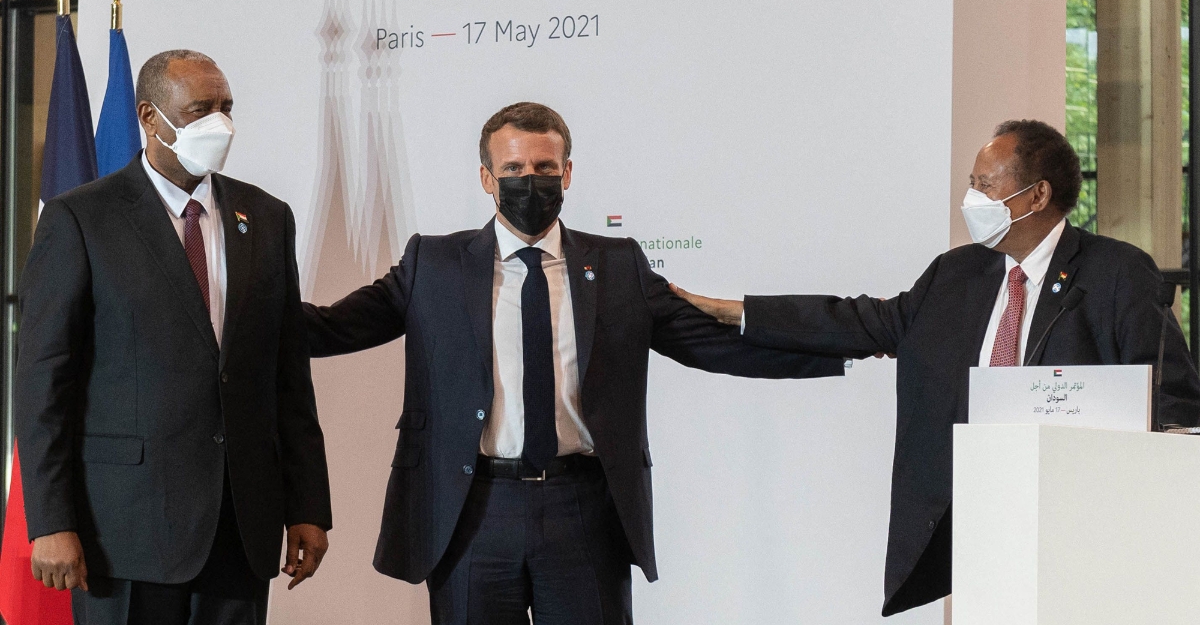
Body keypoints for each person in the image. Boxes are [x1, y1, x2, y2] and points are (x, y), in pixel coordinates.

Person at [303, 101, 844, 625]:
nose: (528, 181)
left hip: (583, 509)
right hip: (472, 511)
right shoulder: (434, 264)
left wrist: (845, 344)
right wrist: (228, 314)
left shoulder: (617, 266)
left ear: (567, 173)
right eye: (513, 168)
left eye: (543, 167)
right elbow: (332, 328)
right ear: (487, 178)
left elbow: (716, 346)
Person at [672, 119, 1200, 616]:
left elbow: (1169, 396)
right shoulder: (956, 274)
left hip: (1078, 523)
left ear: (1037, 195)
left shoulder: (1116, 272)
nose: (973, 200)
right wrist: (739, 312)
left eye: (985, 186)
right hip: (972, 514)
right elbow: (863, 321)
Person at [16, 50, 333, 625]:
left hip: (240, 530)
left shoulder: (265, 216)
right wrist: (51, 521)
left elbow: (287, 376)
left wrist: (308, 505)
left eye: (226, 107)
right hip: (125, 535)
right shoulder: (81, 219)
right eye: (200, 109)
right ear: (149, 116)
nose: (220, 123)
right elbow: (43, 386)